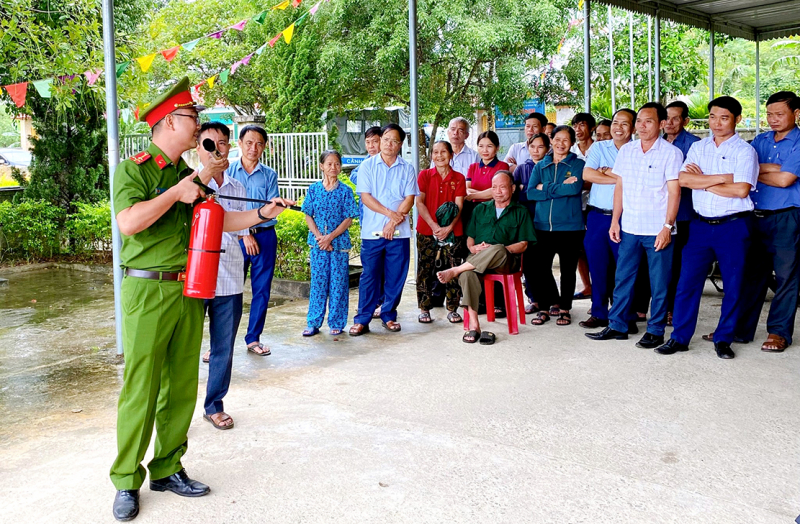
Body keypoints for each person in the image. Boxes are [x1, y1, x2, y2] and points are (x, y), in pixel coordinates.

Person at [110, 77, 292, 521]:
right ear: (170, 120)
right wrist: (176, 192)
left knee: (180, 384)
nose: (198, 126)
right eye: (192, 118)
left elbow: (221, 219)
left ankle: (168, 466)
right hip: (147, 288)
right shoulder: (136, 169)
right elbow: (129, 223)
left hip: (189, 286)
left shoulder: (185, 173)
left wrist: (263, 214)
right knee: (142, 385)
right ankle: (126, 480)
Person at [655, 96, 758, 359]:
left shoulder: (745, 151)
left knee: (733, 285)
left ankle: (724, 338)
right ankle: (679, 337)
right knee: (687, 283)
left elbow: (741, 189)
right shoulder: (699, 148)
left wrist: (704, 181)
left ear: (737, 119)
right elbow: (684, 179)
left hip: (733, 226)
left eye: (724, 117)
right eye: (712, 117)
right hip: (701, 226)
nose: (716, 123)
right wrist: (723, 178)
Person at [585, 103, 683, 348]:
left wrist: (667, 226)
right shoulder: (627, 151)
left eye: (648, 121)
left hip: (657, 229)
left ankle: (656, 330)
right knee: (623, 278)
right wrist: (615, 220)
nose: (642, 125)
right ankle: (617, 324)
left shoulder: (671, 153)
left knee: (658, 282)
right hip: (629, 226)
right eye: (639, 120)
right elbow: (620, 187)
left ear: (661, 124)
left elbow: (674, 192)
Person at [733, 91, 800, 352]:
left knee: (786, 277)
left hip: (787, 217)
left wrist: (756, 170)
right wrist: (774, 168)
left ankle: (778, 333)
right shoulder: (760, 140)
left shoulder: (798, 142)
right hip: (754, 216)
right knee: (750, 275)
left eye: (779, 114)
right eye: (769, 114)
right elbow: (742, 170)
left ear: (795, 114)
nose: (773, 119)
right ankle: (740, 329)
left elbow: (786, 180)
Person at [436, 171, 536, 344]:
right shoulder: (480, 209)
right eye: (494, 187)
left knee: (497, 249)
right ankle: (474, 325)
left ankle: (457, 269)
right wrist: (472, 248)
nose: (498, 191)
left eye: (503, 187)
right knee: (468, 275)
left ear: (512, 189)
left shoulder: (521, 211)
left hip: (506, 260)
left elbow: (524, 244)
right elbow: (470, 238)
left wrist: (501, 249)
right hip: (477, 259)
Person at [197, 122, 247, 432]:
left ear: (229, 147)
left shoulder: (237, 188)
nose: (217, 149)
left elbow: (240, 229)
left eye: (223, 143)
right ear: (198, 148)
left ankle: (214, 405)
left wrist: (266, 213)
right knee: (184, 350)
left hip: (228, 277)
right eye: (210, 143)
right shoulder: (186, 183)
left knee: (223, 348)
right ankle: (173, 411)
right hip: (193, 279)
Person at [349, 123, 419, 335]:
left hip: (399, 233)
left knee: (396, 275)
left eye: (394, 141)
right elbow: (366, 197)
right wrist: (390, 215)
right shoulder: (367, 167)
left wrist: (392, 223)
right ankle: (363, 318)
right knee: (369, 275)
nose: (389, 144)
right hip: (372, 232)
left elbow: (409, 199)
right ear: (381, 141)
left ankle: (388, 315)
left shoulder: (407, 168)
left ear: (400, 145)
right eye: (386, 139)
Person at [579, 108, 635, 329]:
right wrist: (619, 176)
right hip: (597, 216)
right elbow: (587, 174)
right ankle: (599, 312)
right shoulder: (599, 147)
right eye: (615, 122)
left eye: (624, 123)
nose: (618, 127)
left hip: (627, 218)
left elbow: (636, 180)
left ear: (633, 127)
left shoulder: (637, 150)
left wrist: (608, 173)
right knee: (598, 266)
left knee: (625, 269)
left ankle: (625, 316)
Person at [228, 125, 279, 357]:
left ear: (264, 146)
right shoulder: (227, 171)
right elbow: (225, 207)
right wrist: (244, 232)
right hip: (236, 238)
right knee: (228, 291)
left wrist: (253, 229)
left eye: (259, 143)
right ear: (239, 143)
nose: (253, 148)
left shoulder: (270, 175)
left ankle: (253, 338)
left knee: (261, 290)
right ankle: (220, 344)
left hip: (265, 238)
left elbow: (270, 209)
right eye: (249, 142)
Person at [526, 125, 585, 326]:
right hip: (542, 226)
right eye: (557, 139)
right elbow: (531, 192)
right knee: (541, 269)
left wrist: (546, 187)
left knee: (568, 271)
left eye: (566, 140)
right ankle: (545, 306)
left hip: (570, 227)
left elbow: (575, 189)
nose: (561, 144)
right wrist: (560, 187)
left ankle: (565, 309)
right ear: (551, 140)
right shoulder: (541, 165)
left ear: (572, 143)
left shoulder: (578, 164)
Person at [302, 150, 359, 336]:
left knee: (338, 283)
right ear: (321, 166)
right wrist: (320, 237)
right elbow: (308, 214)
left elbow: (349, 218)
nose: (333, 167)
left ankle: (336, 321)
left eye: (337, 164)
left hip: (338, 244)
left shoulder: (346, 191)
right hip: (318, 245)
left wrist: (330, 237)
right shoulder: (314, 189)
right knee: (318, 283)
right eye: (329, 164)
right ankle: (313, 322)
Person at [416, 140, 467, 323]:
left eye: (443, 152)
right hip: (426, 231)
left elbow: (459, 205)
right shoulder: (424, 175)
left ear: (451, 154)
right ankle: (424, 308)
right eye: (435, 152)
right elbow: (419, 203)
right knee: (425, 269)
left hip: (453, 232)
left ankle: (453, 307)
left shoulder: (459, 178)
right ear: (431, 156)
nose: (439, 156)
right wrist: (434, 227)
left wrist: (449, 228)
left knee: (453, 269)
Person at [663, 101, 701, 325]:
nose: (669, 123)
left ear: (685, 121)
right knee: (661, 264)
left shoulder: (694, 145)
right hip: (658, 212)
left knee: (678, 264)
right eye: (667, 118)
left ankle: (673, 309)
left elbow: (687, 179)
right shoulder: (654, 143)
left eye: (676, 118)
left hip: (684, 214)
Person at [513, 133, 550, 312]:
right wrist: (534, 190)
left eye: (540, 147)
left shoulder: (550, 167)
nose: (536, 150)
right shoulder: (521, 169)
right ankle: (534, 299)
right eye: (532, 146)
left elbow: (552, 193)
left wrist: (530, 190)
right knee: (528, 264)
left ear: (547, 148)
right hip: (527, 222)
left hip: (547, 221)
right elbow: (518, 195)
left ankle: (551, 300)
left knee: (544, 264)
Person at [349, 126, 383, 319]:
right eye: (368, 142)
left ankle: (383, 303)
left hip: (387, 223)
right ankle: (370, 302)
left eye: (375, 141)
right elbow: (355, 176)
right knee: (370, 267)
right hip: (368, 224)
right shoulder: (364, 166)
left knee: (387, 267)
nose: (371, 146)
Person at [571, 112, 596, 300]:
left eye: (582, 125)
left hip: (596, 206)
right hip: (575, 206)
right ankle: (587, 286)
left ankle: (599, 288)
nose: (578, 129)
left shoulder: (600, 149)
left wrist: (580, 182)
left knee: (595, 248)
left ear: (591, 128)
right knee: (579, 250)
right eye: (575, 125)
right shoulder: (571, 152)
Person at [464, 130, 509, 228]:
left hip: (493, 209)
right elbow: (467, 189)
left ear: (497, 148)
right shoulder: (473, 167)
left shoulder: (503, 166)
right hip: (472, 210)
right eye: (481, 146)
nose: (484, 150)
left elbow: (497, 191)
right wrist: (487, 193)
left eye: (489, 146)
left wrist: (473, 196)